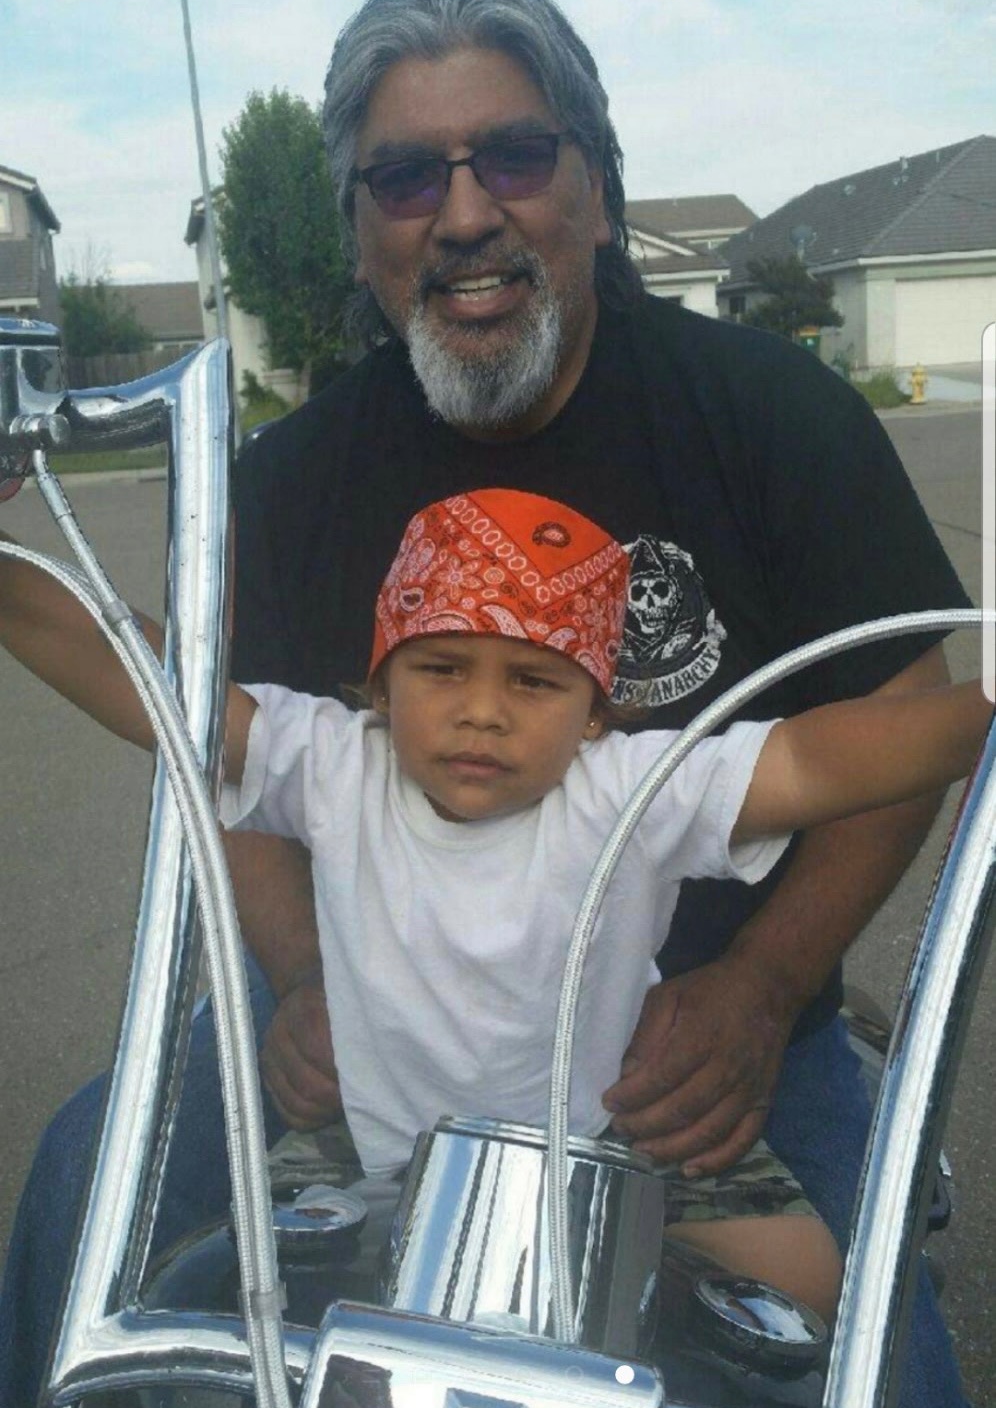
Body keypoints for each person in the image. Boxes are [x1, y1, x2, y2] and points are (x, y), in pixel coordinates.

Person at [0, 0, 978, 1408]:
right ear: (360, 230)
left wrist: (764, 986)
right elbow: (221, 749)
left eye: (513, 155)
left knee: (881, 1361)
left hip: (710, 1030)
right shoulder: (293, 477)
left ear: (597, 188)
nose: (464, 213)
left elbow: (885, 729)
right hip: (368, 998)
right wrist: (309, 980)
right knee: (87, 1185)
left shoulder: (773, 414)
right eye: (406, 176)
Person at [0, 486, 989, 1326]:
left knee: (824, 1296)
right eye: (440, 668)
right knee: (255, 1314)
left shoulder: (632, 787)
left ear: (594, 713)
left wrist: (982, 707)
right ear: (381, 686)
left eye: (533, 681)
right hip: (382, 1150)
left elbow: (811, 759)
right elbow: (143, 679)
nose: (482, 710)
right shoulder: (334, 765)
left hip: (611, 1139)